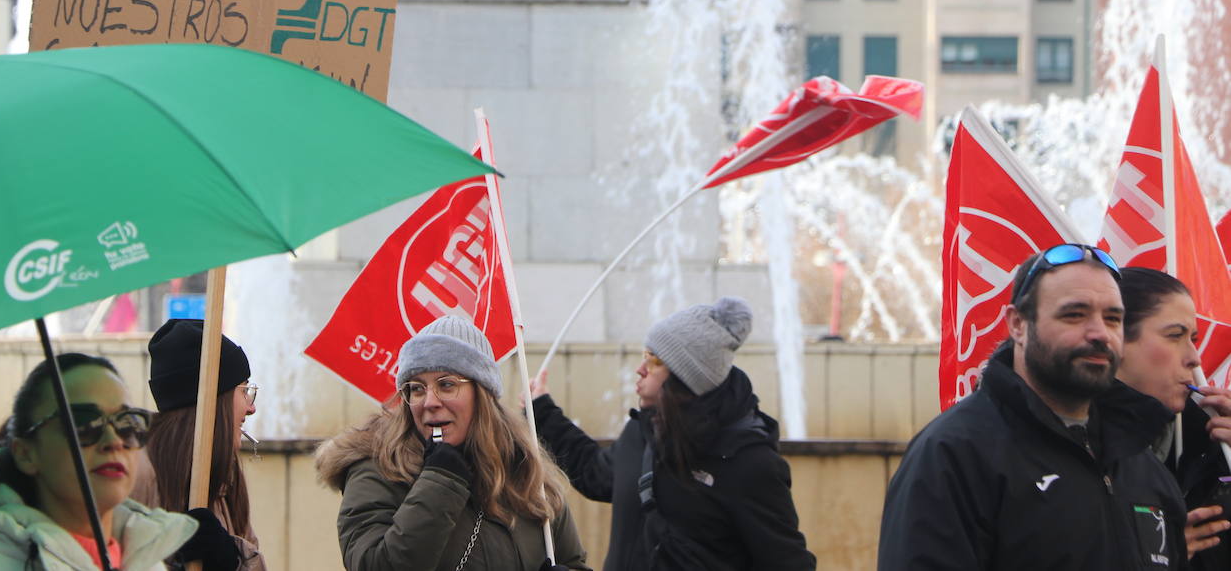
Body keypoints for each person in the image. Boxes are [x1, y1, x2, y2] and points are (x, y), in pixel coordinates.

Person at [878, 244, 1189, 570]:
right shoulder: (953, 454)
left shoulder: (1140, 464)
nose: (1100, 333)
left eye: (1113, 319)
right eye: (1074, 314)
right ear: (1018, 324)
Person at [530, 296, 815, 571]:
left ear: (685, 375)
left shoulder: (748, 462)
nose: (640, 370)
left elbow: (787, 562)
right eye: (645, 355)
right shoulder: (643, 432)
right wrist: (542, 412)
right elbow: (594, 474)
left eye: (654, 360)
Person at [315, 315, 591, 570]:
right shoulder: (379, 469)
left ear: (481, 394)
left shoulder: (526, 473)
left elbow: (574, 561)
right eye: (417, 388)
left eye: (447, 385)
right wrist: (440, 481)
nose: (430, 402)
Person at [0, 352, 198, 570]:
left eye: (127, 422)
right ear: (26, 453)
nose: (113, 440)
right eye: (82, 424)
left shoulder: (146, 556)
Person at [1116, 265, 1231, 566]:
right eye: (1175, 335)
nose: (1194, 358)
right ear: (1113, 339)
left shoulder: (1206, 440)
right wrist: (1153, 558)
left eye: (1193, 337)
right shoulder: (1070, 443)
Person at [134, 318, 262, 570]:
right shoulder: (139, 478)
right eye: (243, 390)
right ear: (211, 401)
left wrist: (232, 560)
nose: (251, 407)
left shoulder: (227, 477)